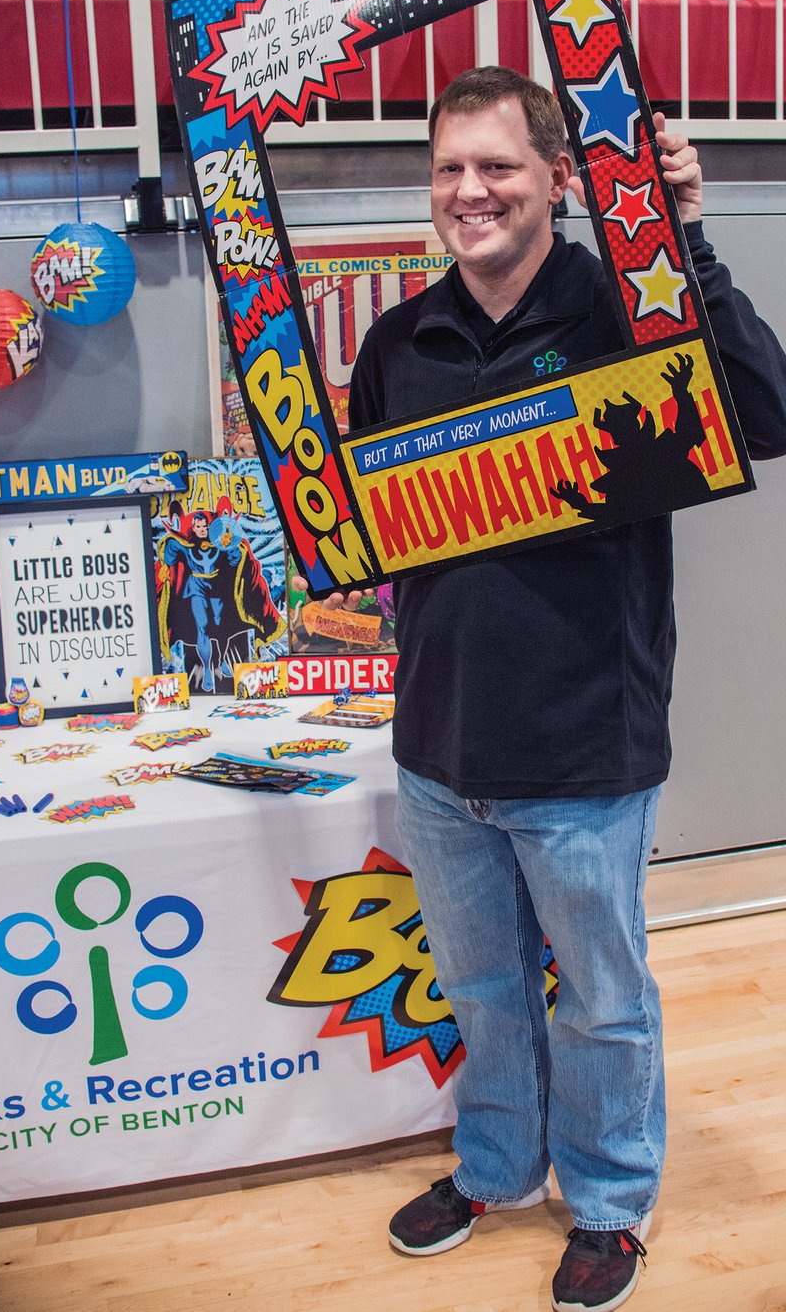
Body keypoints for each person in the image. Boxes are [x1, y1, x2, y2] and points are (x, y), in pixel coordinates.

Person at [298, 66, 786, 1311]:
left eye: (499, 167)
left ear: (558, 180)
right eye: (450, 169)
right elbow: (363, 530)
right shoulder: (397, 341)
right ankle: (497, 1167)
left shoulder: (635, 309)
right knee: (480, 988)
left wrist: (682, 240)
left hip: (583, 741)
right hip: (438, 743)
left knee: (603, 1000)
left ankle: (611, 1200)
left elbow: (769, 409)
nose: (471, 192)